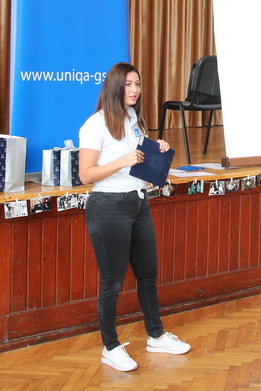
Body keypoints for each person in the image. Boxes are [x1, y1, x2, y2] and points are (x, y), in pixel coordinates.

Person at [79, 62, 191, 372]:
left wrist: (158, 149)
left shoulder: (133, 119)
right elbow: (86, 175)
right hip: (108, 206)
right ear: (115, 86)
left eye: (137, 84)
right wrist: (123, 160)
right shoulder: (95, 125)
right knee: (112, 283)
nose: (135, 90)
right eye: (128, 84)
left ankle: (156, 335)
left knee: (148, 275)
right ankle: (110, 347)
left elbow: (139, 160)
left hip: (138, 203)